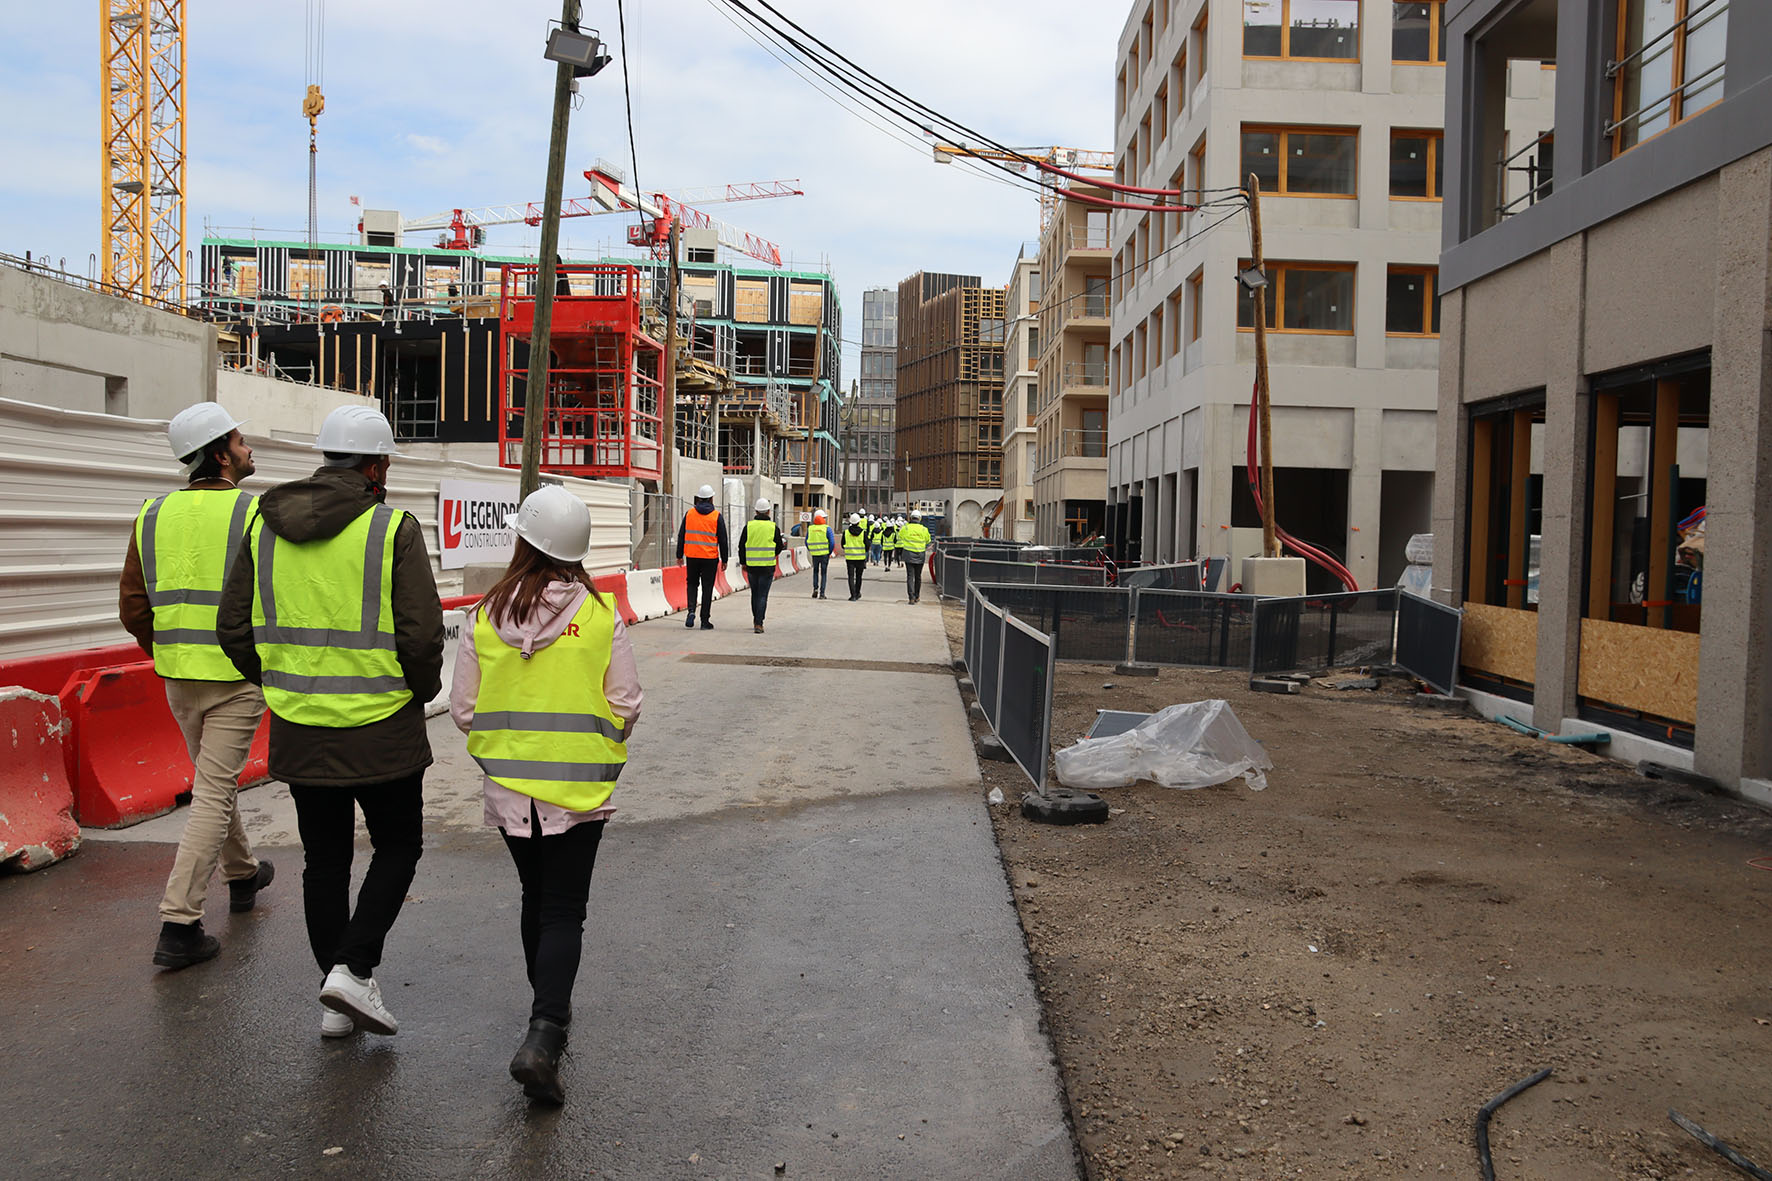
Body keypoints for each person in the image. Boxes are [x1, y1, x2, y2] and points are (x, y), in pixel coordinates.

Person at [218, 405, 444, 1039]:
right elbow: (422, 637)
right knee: (399, 845)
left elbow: (232, 627)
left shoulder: (264, 527)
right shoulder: (391, 528)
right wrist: (418, 693)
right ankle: (352, 967)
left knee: (324, 861)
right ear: (375, 466)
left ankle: (337, 994)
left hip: (299, 725)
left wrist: (280, 681)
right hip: (382, 726)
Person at [450, 486, 641, 1106]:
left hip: (509, 793)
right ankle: (546, 1028)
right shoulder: (600, 616)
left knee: (536, 898)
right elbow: (627, 703)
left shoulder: (482, 616)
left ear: (525, 542)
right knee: (564, 909)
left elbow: (464, 711)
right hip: (578, 791)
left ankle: (544, 1010)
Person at [122, 404, 274, 970]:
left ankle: (243, 874)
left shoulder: (152, 513)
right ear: (220, 453)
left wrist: (167, 650)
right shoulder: (255, 513)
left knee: (214, 782)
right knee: (213, 792)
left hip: (178, 676)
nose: (248, 446)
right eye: (239, 439)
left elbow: (133, 606)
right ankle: (179, 922)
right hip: (235, 677)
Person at [675, 483, 728, 630]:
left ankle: (691, 611)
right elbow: (723, 539)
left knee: (692, 584)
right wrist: (725, 559)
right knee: (707, 588)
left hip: (692, 556)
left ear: (699, 498)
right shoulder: (716, 516)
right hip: (710, 558)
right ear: (711, 499)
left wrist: (679, 554)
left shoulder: (690, 514)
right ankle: (705, 621)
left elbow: (681, 535)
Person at [739, 497, 784, 633]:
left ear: (756, 511)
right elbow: (779, 546)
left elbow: (742, 546)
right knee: (763, 595)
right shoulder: (773, 527)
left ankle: (756, 619)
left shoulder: (749, 526)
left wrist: (743, 562)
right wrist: (772, 554)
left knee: (755, 593)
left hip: (751, 566)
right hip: (767, 566)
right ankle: (759, 622)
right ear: (769, 512)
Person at [899, 510, 932, 604]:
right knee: (918, 576)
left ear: (911, 518)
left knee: (910, 576)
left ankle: (911, 598)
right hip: (920, 555)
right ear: (920, 518)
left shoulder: (905, 528)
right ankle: (917, 596)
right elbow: (928, 540)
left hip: (908, 555)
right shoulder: (923, 529)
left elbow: (900, 537)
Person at [805, 509, 834, 600]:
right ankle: (822, 593)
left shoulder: (810, 529)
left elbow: (806, 541)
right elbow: (832, 542)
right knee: (824, 573)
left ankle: (815, 589)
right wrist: (829, 552)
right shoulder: (827, 529)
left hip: (815, 554)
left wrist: (811, 550)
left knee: (815, 571)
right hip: (824, 554)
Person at [842, 512, 869, 601]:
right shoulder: (863, 533)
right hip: (860, 558)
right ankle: (857, 593)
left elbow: (843, 545)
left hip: (850, 558)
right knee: (858, 577)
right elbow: (867, 545)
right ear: (858, 522)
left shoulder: (846, 533)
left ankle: (853, 595)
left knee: (850, 576)